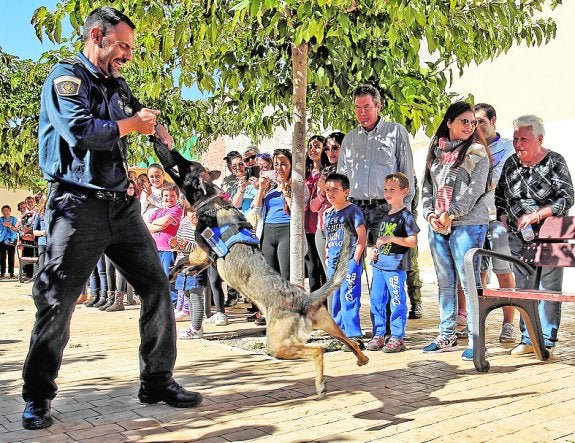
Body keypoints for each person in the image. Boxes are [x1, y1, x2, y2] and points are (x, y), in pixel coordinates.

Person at [22, 7, 202, 431]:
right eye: (122, 46)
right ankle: (37, 397)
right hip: (76, 206)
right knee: (57, 302)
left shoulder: (117, 85)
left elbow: (138, 125)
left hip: (121, 208)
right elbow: (81, 131)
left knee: (157, 287)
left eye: (131, 48)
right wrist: (132, 124)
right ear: (97, 35)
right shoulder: (66, 79)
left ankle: (157, 382)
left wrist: (159, 135)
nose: (127, 55)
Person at [337, 84, 421, 317]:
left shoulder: (395, 132)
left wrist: (405, 211)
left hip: (386, 210)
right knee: (350, 267)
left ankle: (383, 328)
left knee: (385, 271)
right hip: (355, 210)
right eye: (357, 108)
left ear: (378, 106)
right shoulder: (350, 140)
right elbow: (342, 178)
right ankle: (350, 326)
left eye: (367, 107)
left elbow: (406, 175)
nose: (362, 112)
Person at [495, 115, 574, 356]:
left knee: (548, 288)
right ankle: (527, 337)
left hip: (550, 235)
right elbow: (500, 196)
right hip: (519, 236)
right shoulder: (511, 164)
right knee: (524, 287)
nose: (518, 144)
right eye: (516, 138)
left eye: (524, 139)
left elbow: (567, 197)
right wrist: (503, 215)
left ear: (539, 139)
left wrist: (538, 215)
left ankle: (545, 340)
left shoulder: (554, 162)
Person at [421, 101, 490, 360]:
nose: (469, 126)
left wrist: (450, 214)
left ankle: (476, 338)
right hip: (438, 224)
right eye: (464, 121)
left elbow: (475, 190)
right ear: (449, 122)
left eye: (472, 122)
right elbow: (426, 186)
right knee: (445, 282)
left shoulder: (476, 152)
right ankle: (446, 334)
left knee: (469, 281)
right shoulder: (436, 151)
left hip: (467, 224)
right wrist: (430, 214)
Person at [454, 103, 517, 343]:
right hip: (471, 219)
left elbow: (495, 180)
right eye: (472, 122)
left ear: (493, 121)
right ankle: (473, 322)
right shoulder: (469, 148)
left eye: (481, 121)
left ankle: (509, 323)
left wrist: (477, 181)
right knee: (474, 273)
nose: (476, 126)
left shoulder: (507, 148)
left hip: (496, 220)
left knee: (503, 271)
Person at [366, 173, 419, 353]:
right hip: (380, 265)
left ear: (404, 192)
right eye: (386, 189)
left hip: (395, 266)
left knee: (397, 300)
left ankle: (397, 336)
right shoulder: (383, 213)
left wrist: (393, 239)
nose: (388, 193)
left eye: (392, 190)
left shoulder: (406, 216)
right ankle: (379, 333)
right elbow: (379, 239)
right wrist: (374, 250)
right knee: (376, 299)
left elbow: (413, 241)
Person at [324, 172, 367, 351]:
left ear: (346, 191)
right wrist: (327, 255)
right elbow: (329, 238)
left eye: (335, 189)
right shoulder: (330, 214)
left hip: (348, 262)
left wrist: (355, 259)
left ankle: (354, 335)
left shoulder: (353, 211)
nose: (330, 193)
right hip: (333, 264)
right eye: (327, 190)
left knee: (348, 297)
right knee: (336, 300)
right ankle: (339, 334)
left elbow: (362, 236)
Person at [170, 204, 208, 339]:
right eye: (191, 211)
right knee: (187, 296)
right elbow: (177, 246)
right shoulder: (184, 225)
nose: (194, 214)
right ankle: (194, 326)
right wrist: (174, 244)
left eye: (197, 211)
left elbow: (207, 248)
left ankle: (196, 328)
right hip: (182, 266)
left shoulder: (206, 228)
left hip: (197, 267)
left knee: (195, 296)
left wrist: (188, 245)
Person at [305, 135, 328, 291]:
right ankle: (314, 307)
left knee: (324, 268)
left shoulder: (328, 172)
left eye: (317, 146)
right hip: (307, 224)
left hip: (322, 224)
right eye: (310, 146)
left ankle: (327, 307)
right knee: (312, 267)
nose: (313, 149)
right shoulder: (305, 173)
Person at [0, 205, 18, 279]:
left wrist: (9, 225)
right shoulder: (0, 219)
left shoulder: (14, 219)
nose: (5, 212)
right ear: (2, 212)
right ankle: (2, 273)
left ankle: (11, 273)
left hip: (11, 240)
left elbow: (16, 229)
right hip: (1, 240)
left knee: (11, 257)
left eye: (7, 210)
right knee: (2, 257)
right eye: (4, 211)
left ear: (10, 211)